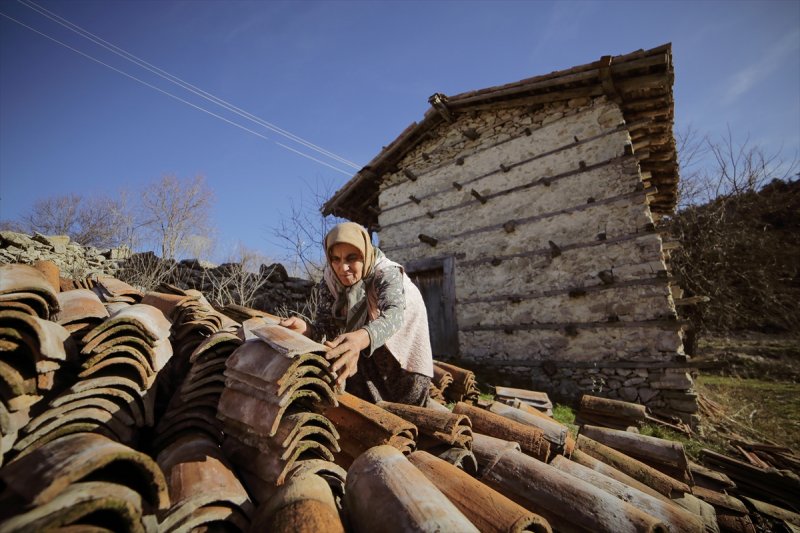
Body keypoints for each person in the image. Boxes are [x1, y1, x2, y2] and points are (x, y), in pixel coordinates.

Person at [280, 222, 433, 406]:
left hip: (401, 349)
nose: (342, 268)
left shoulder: (386, 272)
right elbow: (325, 328)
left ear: (365, 255)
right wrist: (308, 329)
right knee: (365, 409)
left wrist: (360, 339)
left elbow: (394, 314)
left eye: (351, 258)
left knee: (408, 411)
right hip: (363, 348)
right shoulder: (330, 281)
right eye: (335, 259)